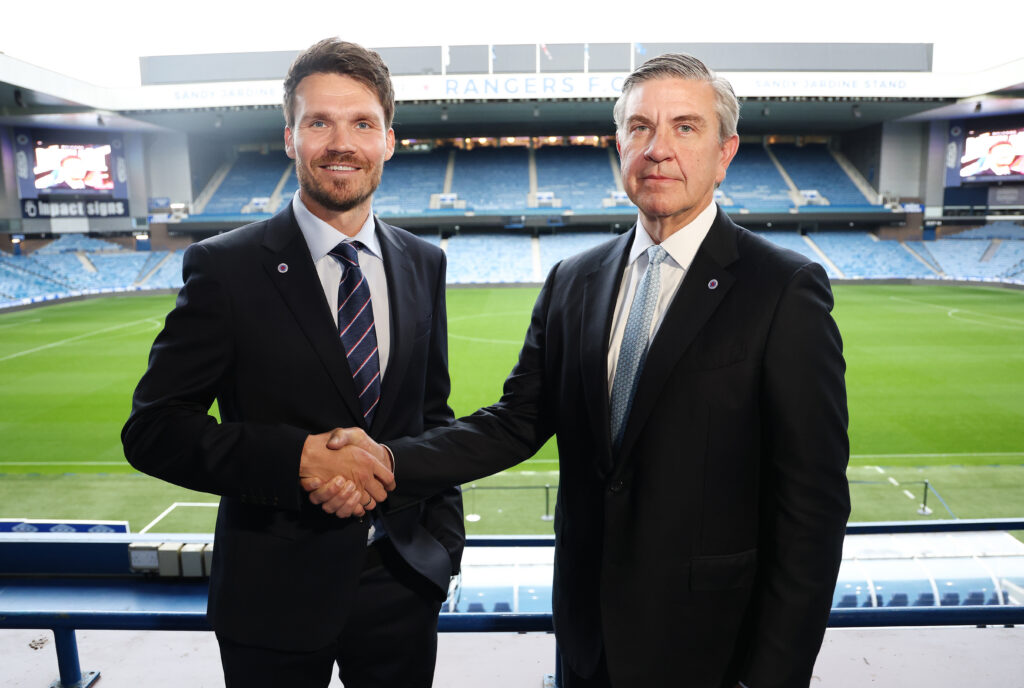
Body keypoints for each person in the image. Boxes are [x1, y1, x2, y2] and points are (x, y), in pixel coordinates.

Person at [311, 53, 850, 687]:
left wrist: (773, 675)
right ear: (618, 144)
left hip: (714, 646)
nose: (658, 149)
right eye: (640, 128)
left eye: (685, 127)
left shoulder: (783, 288)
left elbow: (812, 506)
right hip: (588, 636)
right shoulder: (575, 280)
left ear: (725, 152)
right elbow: (517, 422)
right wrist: (390, 464)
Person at [122, 38, 463, 688]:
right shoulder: (225, 267)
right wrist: (296, 460)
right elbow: (154, 430)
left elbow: (431, 417)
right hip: (270, 593)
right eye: (320, 122)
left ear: (389, 139)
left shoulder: (425, 262)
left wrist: (441, 548)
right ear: (290, 137)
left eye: (362, 122)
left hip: (401, 583)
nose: (343, 142)